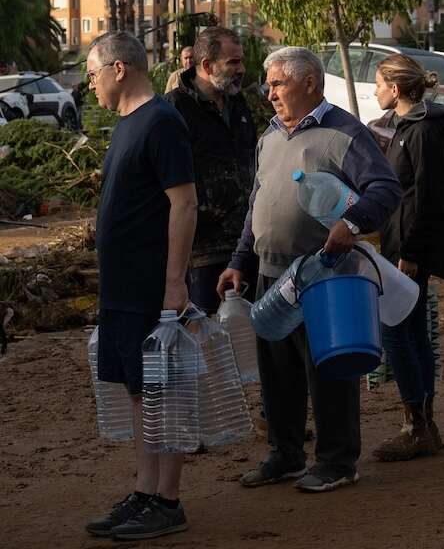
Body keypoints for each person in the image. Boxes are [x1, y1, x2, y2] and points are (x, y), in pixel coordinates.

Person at [218, 47, 402, 492]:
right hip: (269, 274)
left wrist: (352, 222)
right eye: (268, 83)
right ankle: (285, 455)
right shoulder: (270, 136)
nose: (268, 92)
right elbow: (257, 204)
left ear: (310, 84)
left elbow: (385, 188)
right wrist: (240, 260)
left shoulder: (345, 133)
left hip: (323, 274)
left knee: (329, 369)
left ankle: (338, 461)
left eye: (278, 83)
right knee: (277, 374)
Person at [84, 31, 198, 540]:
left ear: (119, 69)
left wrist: (174, 285)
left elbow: (185, 203)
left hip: (152, 288)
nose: (90, 85)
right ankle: (146, 491)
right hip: (122, 291)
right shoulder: (127, 125)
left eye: (91, 74)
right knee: (139, 393)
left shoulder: (161, 122)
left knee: (162, 392)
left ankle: (167, 501)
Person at [370, 54, 444, 462]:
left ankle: (416, 426)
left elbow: (425, 198)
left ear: (396, 88)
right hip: (403, 247)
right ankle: (424, 422)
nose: (374, 91)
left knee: (399, 333)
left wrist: (408, 252)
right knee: (412, 332)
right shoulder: (409, 127)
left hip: (409, 251)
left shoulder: (421, 131)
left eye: (378, 84)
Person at [164, 27, 256, 313]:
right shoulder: (174, 109)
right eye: (233, 62)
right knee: (207, 340)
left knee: (247, 337)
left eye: (241, 61)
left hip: (245, 244)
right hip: (202, 251)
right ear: (206, 65)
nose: (242, 69)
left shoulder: (238, 103)